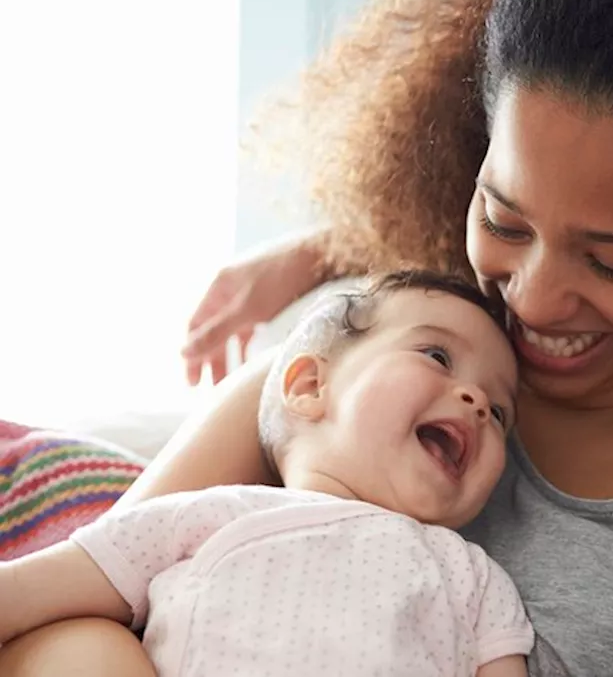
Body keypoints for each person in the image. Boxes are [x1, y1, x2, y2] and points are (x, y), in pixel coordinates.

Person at [0, 0, 613, 675]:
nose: (531, 295)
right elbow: (65, 618)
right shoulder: (362, 355)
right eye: (503, 218)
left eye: (612, 260)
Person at [1, 271, 534, 676]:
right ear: (308, 387)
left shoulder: (475, 579)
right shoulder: (208, 515)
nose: (477, 402)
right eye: (437, 355)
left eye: (501, 413)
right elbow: (29, 589)